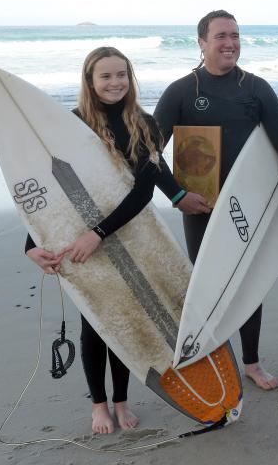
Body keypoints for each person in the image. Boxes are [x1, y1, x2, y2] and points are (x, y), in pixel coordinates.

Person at [154, 10, 278, 391]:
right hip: (201, 207)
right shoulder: (182, 91)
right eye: (221, 36)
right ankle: (213, 358)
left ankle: (252, 363)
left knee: (246, 282)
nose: (230, 43)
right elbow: (149, 152)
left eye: (236, 36)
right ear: (202, 42)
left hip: (247, 205)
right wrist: (176, 195)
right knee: (206, 282)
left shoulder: (255, 88)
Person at [26, 46, 163, 433]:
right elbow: (47, 189)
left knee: (124, 320)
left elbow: (143, 193)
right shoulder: (71, 125)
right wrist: (31, 244)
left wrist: (98, 233)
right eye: (106, 76)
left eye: (122, 74)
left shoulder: (147, 124)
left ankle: (121, 401)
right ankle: (98, 405)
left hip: (128, 233)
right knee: (95, 323)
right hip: (79, 239)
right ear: (90, 81)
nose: (115, 82)